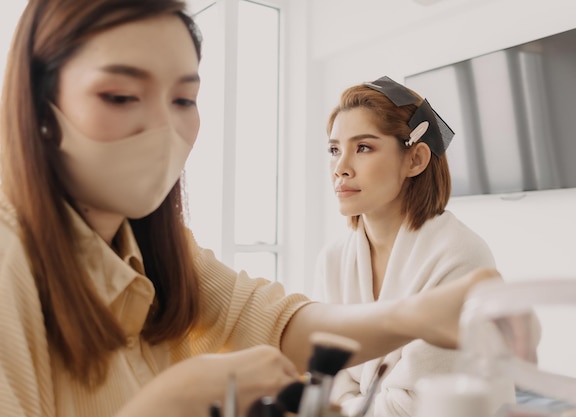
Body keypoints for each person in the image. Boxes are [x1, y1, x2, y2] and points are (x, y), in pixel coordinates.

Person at [0, 2, 500, 417]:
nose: (164, 128)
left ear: (415, 158)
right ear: (39, 104)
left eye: (183, 99)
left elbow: (280, 326)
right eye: (120, 95)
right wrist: (173, 401)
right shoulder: (10, 265)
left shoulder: (160, 251)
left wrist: (422, 314)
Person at [313, 76, 499, 417]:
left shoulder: (460, 257)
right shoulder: (333, 260)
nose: (340, 168)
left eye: (363, 147)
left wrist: (342, 407)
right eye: (334, 149)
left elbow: (415, 406)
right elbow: (328, 380)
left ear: (415, 159)